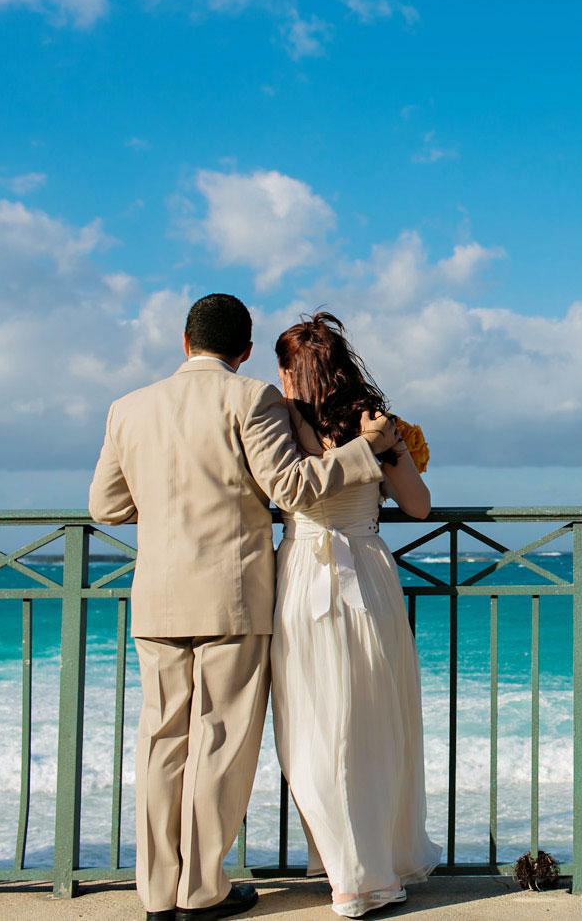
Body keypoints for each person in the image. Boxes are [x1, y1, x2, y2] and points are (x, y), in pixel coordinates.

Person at [89, 294, 400, 921]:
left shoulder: (128, 408)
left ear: (184, 341)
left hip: (156, 597)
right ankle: (201, 890)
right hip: (231, 594)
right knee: (220, 744)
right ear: (246, 350)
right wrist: (366, 453)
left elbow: (106, 507)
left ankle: (155, 893)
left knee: (161, 745)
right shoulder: (250, 398)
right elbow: (290, 485)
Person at [270, 312, 441, 918]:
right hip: (368, 571)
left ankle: (350, 875)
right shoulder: (373, 421)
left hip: (308, 572)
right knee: (371, 722)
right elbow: (419, 507)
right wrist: (385, 444)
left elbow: (289, 491)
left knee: (317, 730)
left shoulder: (277, 419)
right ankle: (370, 871)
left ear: (297, 368)